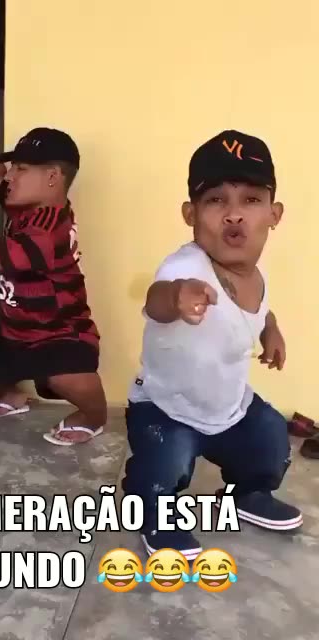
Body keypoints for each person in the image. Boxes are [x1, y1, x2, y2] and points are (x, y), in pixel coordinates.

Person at [122, 130, 303, 559]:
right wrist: (176, 296)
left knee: (271, 437)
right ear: (191, 214)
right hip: (166, 407)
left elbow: (261, 310)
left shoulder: (256, 273)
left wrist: (271, 330)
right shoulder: (185, 267)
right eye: (216, 200)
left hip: (228, 406)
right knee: (165, 462)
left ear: (274, 214)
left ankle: (247, 493)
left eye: (251, 200)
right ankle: (150, 507)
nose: (234, 214)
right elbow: (155, 300)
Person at [0, 121, 106, 445]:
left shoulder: (49, 228)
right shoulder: (27, 207)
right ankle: (11, 396)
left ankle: (93, 415)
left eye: (21, 169)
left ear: (52, 177)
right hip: (20, 329)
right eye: (13, 166)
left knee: (64, 377)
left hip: (60, 333)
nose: (10, 176)